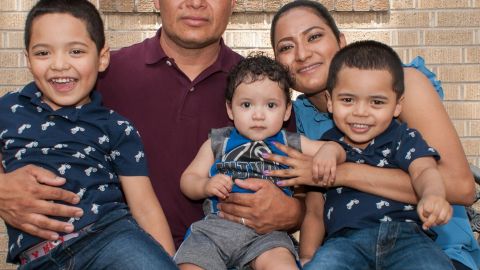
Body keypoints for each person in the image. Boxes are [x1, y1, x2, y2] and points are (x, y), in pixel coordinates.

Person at [0, 0, 302, 253]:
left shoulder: (260, 89)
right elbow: (18, 117)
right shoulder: (101, 73)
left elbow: (306, 188)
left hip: (237, 255)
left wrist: (292, 213)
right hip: (117, 255)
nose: (195, 2)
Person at [267, 1, 480, 270]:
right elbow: (308, 206)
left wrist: (340, 173)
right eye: (286, 47)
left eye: (314, 36)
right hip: (348, 251)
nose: (302, 54)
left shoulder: (396, 84)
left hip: (432, 246)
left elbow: (461, 187)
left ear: (341, 42)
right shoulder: (292, 118)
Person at [0, 0, 176, 268]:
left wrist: (168, 263)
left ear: (102, 57)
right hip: (38, 258)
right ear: (27, 59)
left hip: (110, 239)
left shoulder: (116, 126)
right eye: (43, 53)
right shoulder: (8, 108)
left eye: (76, 51)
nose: (59, 65)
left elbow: (145, 207)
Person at [290, 40, 454, 269]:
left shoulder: (404, 138)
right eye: (348, 100)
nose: (360, 112)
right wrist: (307, 256)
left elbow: (425, 170)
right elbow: (315, 212)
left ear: (397, 105)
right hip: (344, 243)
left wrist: (433, 195)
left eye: (376, 102)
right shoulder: (327, 145)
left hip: (407, 239)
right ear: (330, 101)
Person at [174, 54, 344, 270]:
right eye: (246, 105)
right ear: (230, 109)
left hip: (268, 236)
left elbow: (339, 149)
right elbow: (188, 180)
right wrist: (205, 185)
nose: (258, 115)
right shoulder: (217, 142)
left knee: (282, 263)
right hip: (216, 229)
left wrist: (330, 149)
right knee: (191, 263)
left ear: (287, 111)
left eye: (271, 105)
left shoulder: (290, 141)